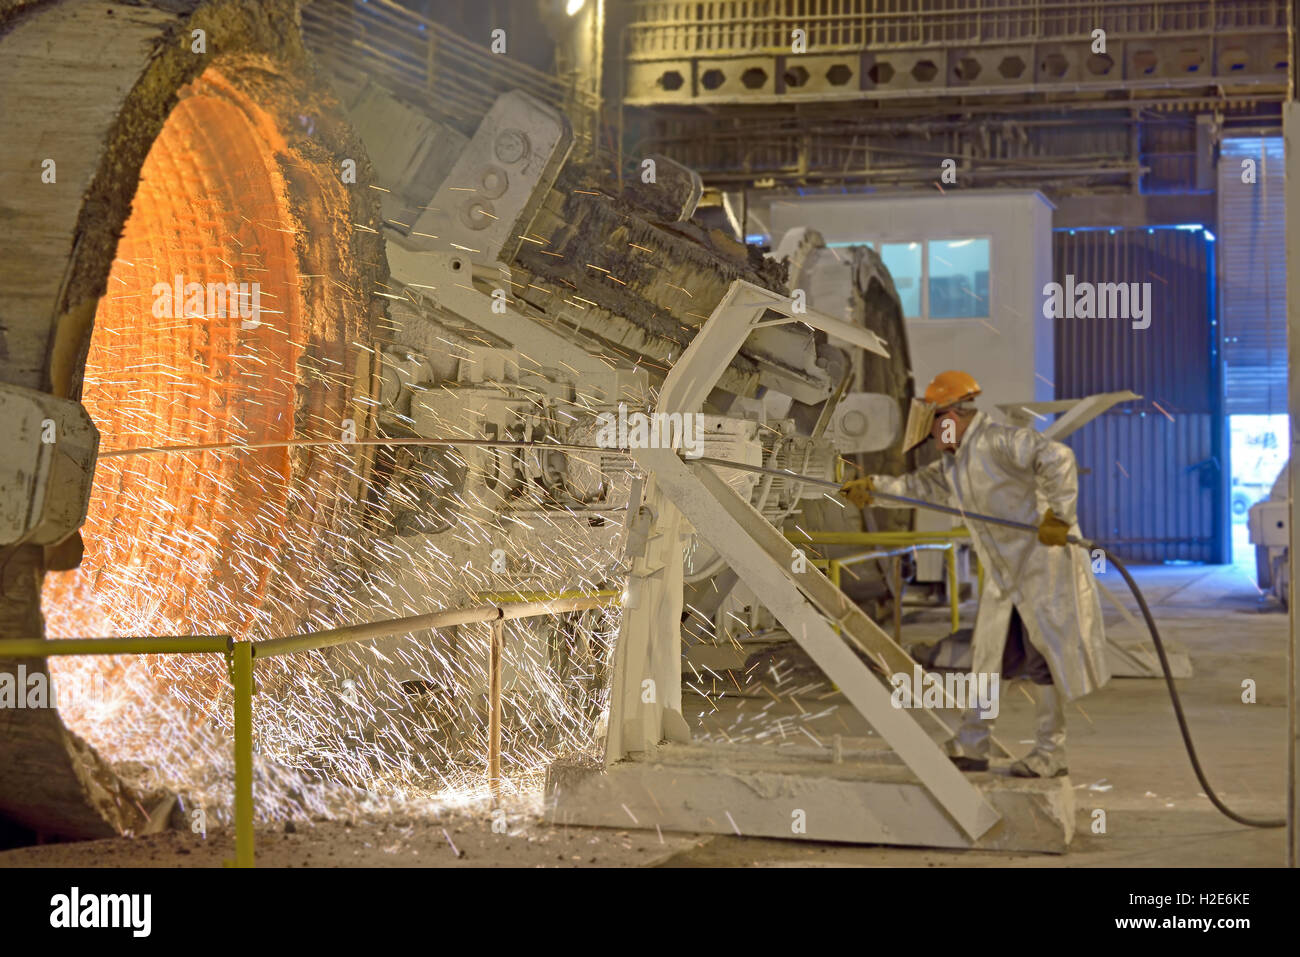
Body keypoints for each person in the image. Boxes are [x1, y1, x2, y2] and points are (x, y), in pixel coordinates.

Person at [839, 370, 1108, 778]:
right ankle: (972, 744)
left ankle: (1050, 755)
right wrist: (873, 488)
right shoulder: (954, 463)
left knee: (1043, 660)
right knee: (988, 659)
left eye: (935, 425)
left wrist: (1060, 516)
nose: (933, 436)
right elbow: (917, 486)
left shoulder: (999, 441)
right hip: (1006, 575)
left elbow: (1058, 458)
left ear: (953, 415)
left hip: (1043, 565)